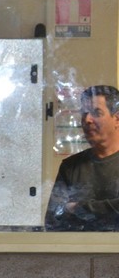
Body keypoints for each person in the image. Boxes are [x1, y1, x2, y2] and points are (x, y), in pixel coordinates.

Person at [45, 84, 119, 231]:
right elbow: (53, 221)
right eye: (84, 113)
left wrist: (77, 208)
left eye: (96, 113)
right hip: (80, 246)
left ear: (117, 119)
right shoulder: (70, 166)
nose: (87, 119)